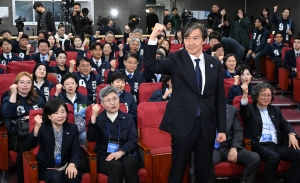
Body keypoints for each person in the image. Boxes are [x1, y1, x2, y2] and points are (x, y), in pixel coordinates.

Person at [144, 22, 226, 182]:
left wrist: (221, 129)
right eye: (187, 38)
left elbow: (219, 99)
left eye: (195, 38)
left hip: (206, 126)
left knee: (204, 171)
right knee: (178, 169)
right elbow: (150, 65)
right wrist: (153, 37)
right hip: (183, 125)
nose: (191, 42)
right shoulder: (176, 59)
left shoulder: (214, 64)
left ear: (204, 40)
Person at [239, 82, 300, 183]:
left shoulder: (275, 110)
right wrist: (245, 94)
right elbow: (243, 112)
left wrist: (291, 134)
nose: (266, 98)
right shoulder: (250, 109)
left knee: (298, 154)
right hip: (259, 144)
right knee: (273, 157)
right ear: (256, 96)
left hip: (275, 145)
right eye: (263, 95)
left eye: (269, 95)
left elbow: (285, 124)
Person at [87, 85, 140, 183]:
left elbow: (133, 140)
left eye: (114, 99)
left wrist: (120, 152)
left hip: (126, 153)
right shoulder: (99, 119)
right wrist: (93, 117)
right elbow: (91, 137)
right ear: (102, 104)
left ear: (119, 99)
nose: (112, 103)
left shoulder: (128, 118)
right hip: (105, 155)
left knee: (129, 163)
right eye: (108, 100)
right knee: (115, 165)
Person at [2, 72, 45, 183]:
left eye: (28, 82)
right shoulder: (8, 97)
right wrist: (13, 93)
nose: (25, 85)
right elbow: (7, 114)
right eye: (21, 82)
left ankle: (42, 175)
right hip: (16, 134)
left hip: (36, 130)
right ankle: (22, 179)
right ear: (16, 84)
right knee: (26, 145)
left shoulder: (38, 98)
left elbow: (46, 113)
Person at [26, 98, 82, 182]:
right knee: (56, 177)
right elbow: (30, 145)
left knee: (73, 177)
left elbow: (76, 150)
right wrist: (37, 127)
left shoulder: (72, 128)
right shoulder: (42, 127)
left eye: (63, 112)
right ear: (49, 116)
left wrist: (72, 164)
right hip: (48, 167)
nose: (60, 116)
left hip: (66, 164)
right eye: (56, 113)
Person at [209, 104, 260, 183]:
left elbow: (238, 131)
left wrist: (234, 147)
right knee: (205, 161)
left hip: (228, 146)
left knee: (254, 158)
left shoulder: (232, 110)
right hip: (212, 148)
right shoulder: (203, 108)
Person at [54, 73, 90, 145]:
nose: (70, 86)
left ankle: (84, 155)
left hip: (80, 129)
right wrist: (56, 94)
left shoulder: (83, 98)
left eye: (72, 83)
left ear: (76, 85)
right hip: (64, 128)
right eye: (67, 84)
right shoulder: (59, 98)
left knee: (85, 136)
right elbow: (51, 109)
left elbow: (88, 114)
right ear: (63, 87)